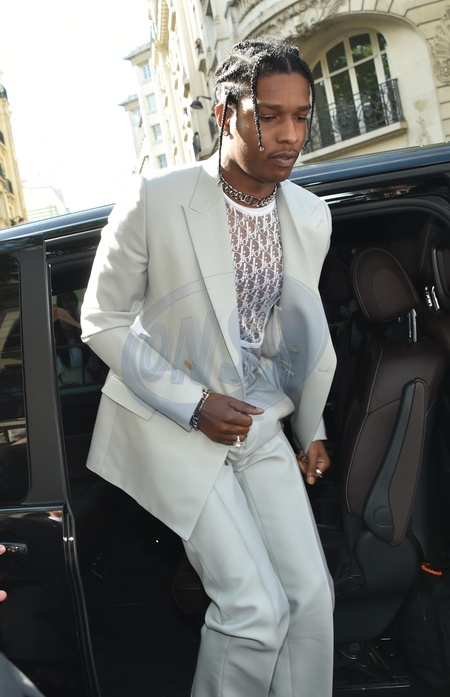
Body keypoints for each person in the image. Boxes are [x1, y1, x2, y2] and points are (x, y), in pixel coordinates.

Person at [81, 37, 337, 697]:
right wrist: (194, 405)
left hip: (260, 417)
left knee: (311, 599)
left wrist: (310, 425)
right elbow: (101, 319)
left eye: (301, 116)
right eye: (269, 116)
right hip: (174, 422)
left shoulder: (310, 215)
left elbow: (295, 329)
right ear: (225, 115)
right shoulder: (155, 198)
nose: (290, 135)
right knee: (254, 611)